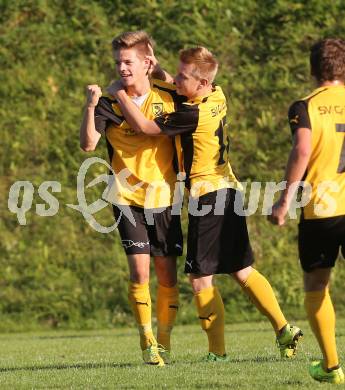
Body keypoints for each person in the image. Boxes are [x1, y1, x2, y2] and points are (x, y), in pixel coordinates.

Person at [109, 46, 302, 361]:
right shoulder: (216, 95)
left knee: (200, 278)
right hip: (230, 190)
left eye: (183, 77)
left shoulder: (190, 114)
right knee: (241, 268)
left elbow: (145, 128)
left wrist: (119, 95)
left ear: (200, 84)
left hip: (208, 197)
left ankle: (217, 353)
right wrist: (159, 72)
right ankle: (284, 329)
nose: (177, 81)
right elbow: (182, 85)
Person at [79, 31, 185, 367]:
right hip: (126, 197)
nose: (121, 68)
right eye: (118, 62)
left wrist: (160, 69)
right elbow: (88, 144)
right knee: (140, 273)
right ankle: (147, 340)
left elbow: (184, 87)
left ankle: (165, 341)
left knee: (167, 274)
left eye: (128, 62)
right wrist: (91, 103)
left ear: (146, 63)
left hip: (165, 195)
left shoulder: (167, 96)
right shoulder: (109, 102)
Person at [269, 38, 345, 384]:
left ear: (313, 69)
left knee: (317, 284)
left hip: (322, 208)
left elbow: (302, 151)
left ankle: (331, 367)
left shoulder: (305, 106)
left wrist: (284, 200)